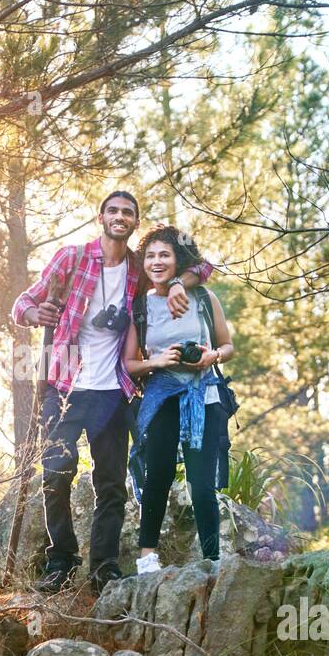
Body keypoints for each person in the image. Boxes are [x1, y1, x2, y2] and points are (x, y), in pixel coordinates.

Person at [12, 193, 213, 593]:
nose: (120, 217)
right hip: (64, 388)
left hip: (112, 391)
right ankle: (61, 561)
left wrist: (175, 283)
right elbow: (22, 304)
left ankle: (103, 566)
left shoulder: (141, 269)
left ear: (135, 222)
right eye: (114, 211)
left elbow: (204, 266)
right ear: (101, 217)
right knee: (55, 474)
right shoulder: (71, 259)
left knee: (110, 484)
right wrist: (35, 315)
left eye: (128, 213)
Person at [123, 225, 234, 573]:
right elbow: (129, 363)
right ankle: (147, 558)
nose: (157, 262)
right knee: (157, 474)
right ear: (143, 262)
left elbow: (228, 346)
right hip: (161, 396)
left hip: (205, 395)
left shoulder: (203, 298)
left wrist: (209, 357)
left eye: (165, 255)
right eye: (151, 256)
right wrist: (157, 361)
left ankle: (212, 558)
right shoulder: (139, 308)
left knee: (202, 482)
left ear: (177, 260)